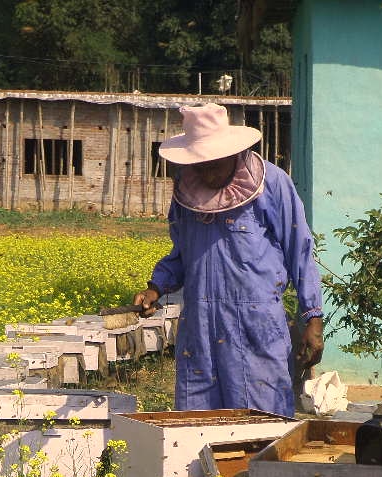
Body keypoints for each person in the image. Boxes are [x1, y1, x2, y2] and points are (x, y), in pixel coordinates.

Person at [133, 104, 324, 416]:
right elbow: (182, 252)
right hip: (200, 328)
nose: (207, 171)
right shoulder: (186, 192)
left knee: (262, 424)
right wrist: (156, 288)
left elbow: (299, 251)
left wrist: (312, 318)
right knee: (198, 428)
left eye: (214, 163)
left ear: (232, 153)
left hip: (256, 326)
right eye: (200, 164)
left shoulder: (272, 184)